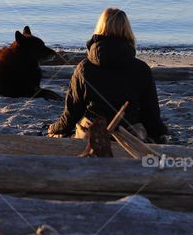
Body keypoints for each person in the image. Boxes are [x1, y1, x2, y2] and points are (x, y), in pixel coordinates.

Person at [48, 8, 168, 143]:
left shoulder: (84, 68)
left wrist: (54, 128)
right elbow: (150, 114)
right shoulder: (141, 69)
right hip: (129, 135)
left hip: (92, 134)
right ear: (127, 30)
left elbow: (72, 113)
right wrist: (161, 134)